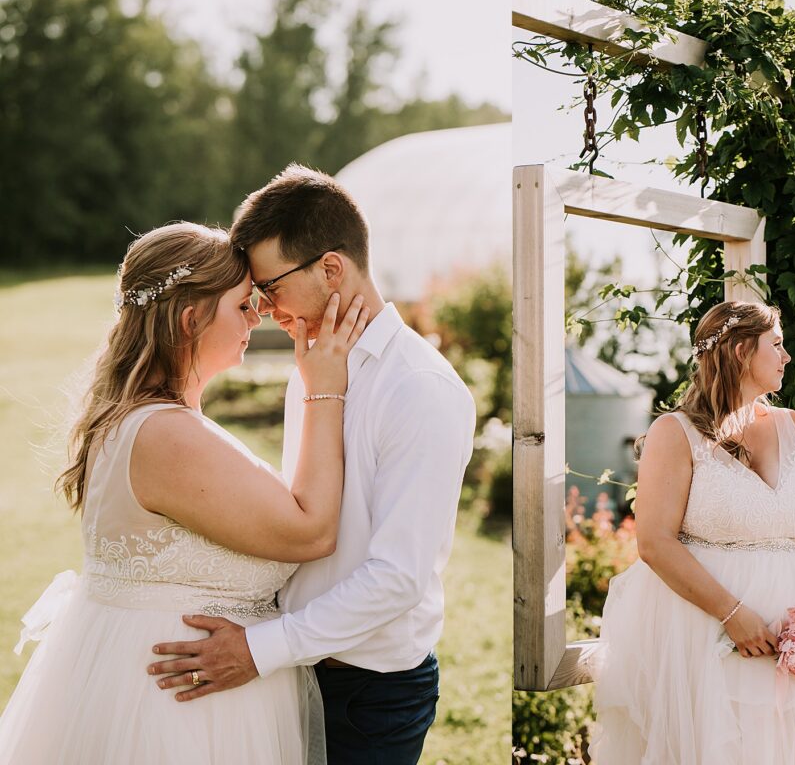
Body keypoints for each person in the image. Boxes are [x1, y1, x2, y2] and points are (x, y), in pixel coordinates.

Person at [145, 165, 477, 765]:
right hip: (291, 671)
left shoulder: (421, 388)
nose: (264, 308)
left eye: (271, 287)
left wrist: (261, 648)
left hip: (368, 695)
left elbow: (398, 577)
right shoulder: (317, 364)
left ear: (330, 268)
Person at [0, 221, 367, 764]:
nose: (258, 315)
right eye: (243, 304)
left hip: (168, 684)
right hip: (178, 713)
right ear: (190, 318)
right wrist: (325, 388)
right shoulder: (166, 435)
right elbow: (312, 530)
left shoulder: (145, 419)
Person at [590, 300, 795, 765]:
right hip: (709, 636)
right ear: (743, 352)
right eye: (778, 345)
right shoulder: (674, 433)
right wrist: (733, 615)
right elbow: (654, 541)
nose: (789, 356)